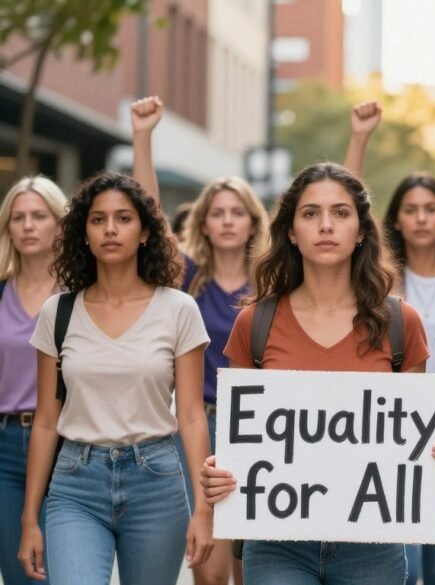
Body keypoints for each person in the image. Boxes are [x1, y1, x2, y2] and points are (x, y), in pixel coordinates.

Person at [198, 162, 435, 585]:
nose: (325, 225)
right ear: (290, 231)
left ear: (361, 231)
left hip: (372, 547)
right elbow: (241, 444)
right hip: (276, 544)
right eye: (310, 214)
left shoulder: (401, 323)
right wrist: (221, 471)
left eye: (341, 213)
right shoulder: (254, 323)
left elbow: (414, 441)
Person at [17, 172, 214, 584]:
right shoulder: (58, 312)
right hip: (75, 483)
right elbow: (47, 421)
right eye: (98, 219)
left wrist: (204, 509)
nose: (110, 228)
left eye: (124, 218)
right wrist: (30, 519)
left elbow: (193, 417)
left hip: (156, 480)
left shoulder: (178, 309)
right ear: (83, 233)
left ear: (144, 232)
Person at [130, 95, 273, 585]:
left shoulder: (273, 281)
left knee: (251, 569)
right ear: (205, 222)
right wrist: (143, 137)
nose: (229, 220)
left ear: (254, 221)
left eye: (238, 211)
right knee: (209, 573)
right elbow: (147, 217)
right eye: (218, 212)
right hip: (201, 427)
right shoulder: (186, 276)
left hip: (264, 428)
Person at [382, 172, 435, 585]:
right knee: (405, 563)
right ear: (395, 220)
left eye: (430, 209)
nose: (421, 219)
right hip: (396, 431)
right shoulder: (380, 281)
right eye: (410, 210)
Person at [0, 176, 66, 585]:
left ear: (59, 224)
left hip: (67, 447)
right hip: (4, 447)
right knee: (19, 574)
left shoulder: (80, 293)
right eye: (18, 218)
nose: (27, 226)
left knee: (63, 571)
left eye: (39, 216)